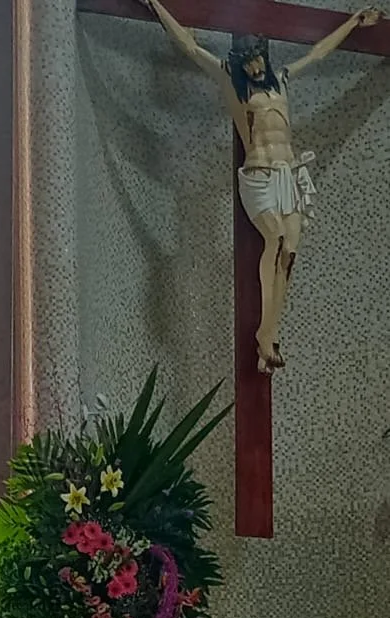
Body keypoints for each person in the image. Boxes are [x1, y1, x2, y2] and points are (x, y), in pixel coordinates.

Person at [144, 2, 382, 372]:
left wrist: (352, 23)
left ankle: (269, 335)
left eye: (258, 58)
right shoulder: (231, 82)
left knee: (290, 252)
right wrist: (157, 5)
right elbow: (190, 48)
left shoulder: (281, 80)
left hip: (288, 175)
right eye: (248, 60)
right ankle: (264, 334)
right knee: (274, 240)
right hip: (258, 174)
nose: (254, 65)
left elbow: (318, 53)